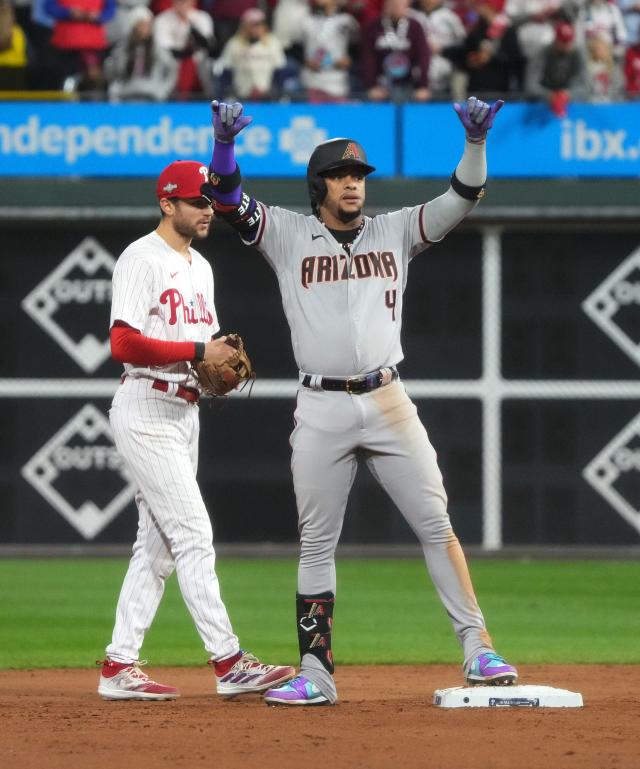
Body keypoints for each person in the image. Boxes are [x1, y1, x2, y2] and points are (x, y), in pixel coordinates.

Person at [203, 98, 518, 707]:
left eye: (359, 176)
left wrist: (475, 142)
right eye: (343, 176)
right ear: (319, 185)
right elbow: (227, 199)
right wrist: (224, 145)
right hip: (320, 406)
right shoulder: (289, 233)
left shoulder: (395, 228)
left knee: (437, 524)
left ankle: (477, 646)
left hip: (388, 397)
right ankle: (316, 673)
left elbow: (462, 196)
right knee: (316, 542)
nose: (354, 184)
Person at [97, 159, 295, 701]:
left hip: (184, 411)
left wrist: (215, 369)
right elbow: (122, 343)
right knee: (192, 533)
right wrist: (197, 351)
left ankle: (118, 665)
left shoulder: (202, 267)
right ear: (167, 203)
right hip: (144, 405)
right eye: (197, 200)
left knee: (158, 546)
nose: (209, 208)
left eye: (211, 201)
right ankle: (229, 661)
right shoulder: (141, 258)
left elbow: (205, 357)